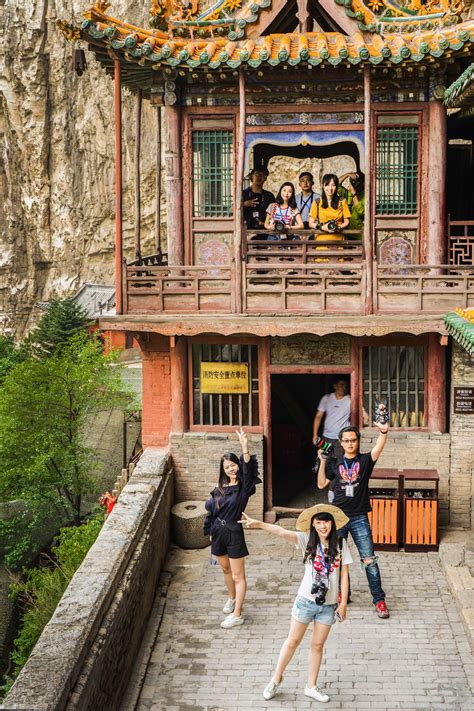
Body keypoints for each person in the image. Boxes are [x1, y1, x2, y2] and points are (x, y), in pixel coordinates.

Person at [239, 504, 352, 703]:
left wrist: (343, 604)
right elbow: (281, 531)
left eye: (325, 522)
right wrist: (258, 524)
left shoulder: (341, 544)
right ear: (313, 525)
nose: (322, 526)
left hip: (329, 606)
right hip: (305, 602)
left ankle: (311, 686)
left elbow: (344, 574)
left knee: (317, 645)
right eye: (318, 522)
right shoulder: (306, 540)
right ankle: (275, 680)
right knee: (292, 641)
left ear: (332, 523)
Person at [316, 414, 390, 619]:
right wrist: (322, 461)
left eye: (353, 440)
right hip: (337, 517)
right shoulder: (335, 462)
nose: (350, 443)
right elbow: (321, 484)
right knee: (336, 560)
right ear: (341, 442)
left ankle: (379, 600)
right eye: (346, 440)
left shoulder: (365, 460)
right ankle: (341, 595)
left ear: (358, 442)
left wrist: (383, 431)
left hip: (359, 518)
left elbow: (379, 446)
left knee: (369, 560)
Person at [203, 427, 261, 629]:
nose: (231, 469)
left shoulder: (243, 487)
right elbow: (211, 512)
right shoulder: (219, 489)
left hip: (234, 532)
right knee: (226, 570)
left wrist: (244, 447)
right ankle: (231, 598)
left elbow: (248, 469)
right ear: (223, 469)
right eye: (227, 467)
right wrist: (210, 532)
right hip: (218, 533)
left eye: (233, 465)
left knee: (238, 576)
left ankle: (237, 614)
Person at [312, 379, 350, 479]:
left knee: (340, 462)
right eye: (341, 384)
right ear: (335, 386)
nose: (343, 387)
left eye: (345, 386)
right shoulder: (327, 398)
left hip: (341, 439)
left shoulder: (350, 400)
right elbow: (318, 416)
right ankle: (325, 484)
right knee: (324, 461)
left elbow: (359, 413)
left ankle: (336, 488)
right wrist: (315, 434)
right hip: (326, 438)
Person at [308, 173, 350, 253]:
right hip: (321, 239)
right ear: (323, 186)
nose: (330, 188)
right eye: (327, 185)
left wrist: (339, 228)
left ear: (337, 187)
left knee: (338, 261)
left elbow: (347, 221)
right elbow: (311, 223)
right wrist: (322, 227)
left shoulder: (342, 201)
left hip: (338, 239)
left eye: (333, 185)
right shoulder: (317, 202)